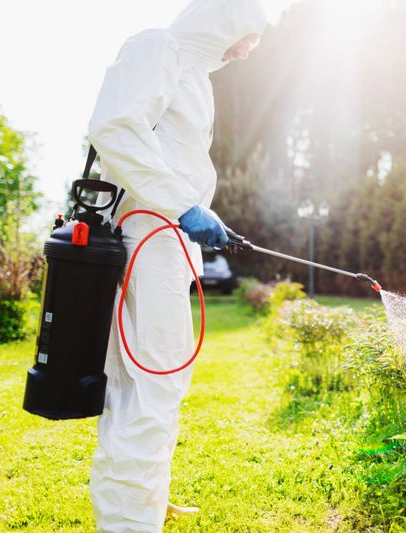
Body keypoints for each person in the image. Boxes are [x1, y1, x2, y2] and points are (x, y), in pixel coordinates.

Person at [86, 0, 266, 530]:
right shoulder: (158, 46)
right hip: (148, 235)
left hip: (164, 239)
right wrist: (182, 205)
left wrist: (193, 209)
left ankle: (139, 503)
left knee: (146, 385)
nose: (248, 51)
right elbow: (115, 127)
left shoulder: (194, 75)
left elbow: (168, 153)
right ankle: (130, 521)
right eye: (247, 36)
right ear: (220, 17)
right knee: (154, 382)